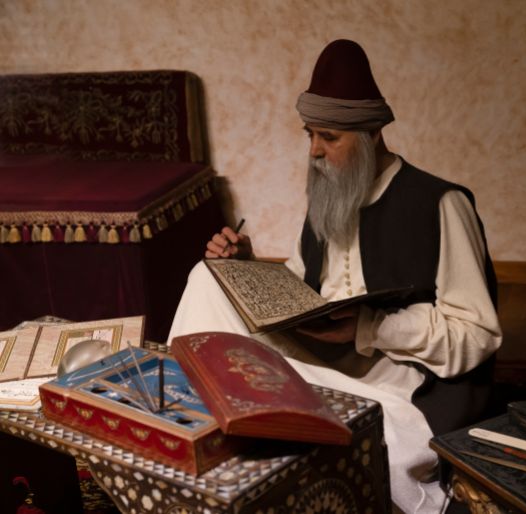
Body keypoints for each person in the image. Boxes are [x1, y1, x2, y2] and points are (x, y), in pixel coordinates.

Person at [168, 39, 502, 513]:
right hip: (328, 359)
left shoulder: (441, 204)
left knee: (371, 440)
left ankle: (264, 419)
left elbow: (478, 334)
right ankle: (196, 430)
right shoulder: (329, 195)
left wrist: (368, 326)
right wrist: (242, 266)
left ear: (370, 135)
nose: (315, 152)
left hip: (405, 379)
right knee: (206, 276)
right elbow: (301, 289)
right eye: (310, 135)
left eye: (329, 138)